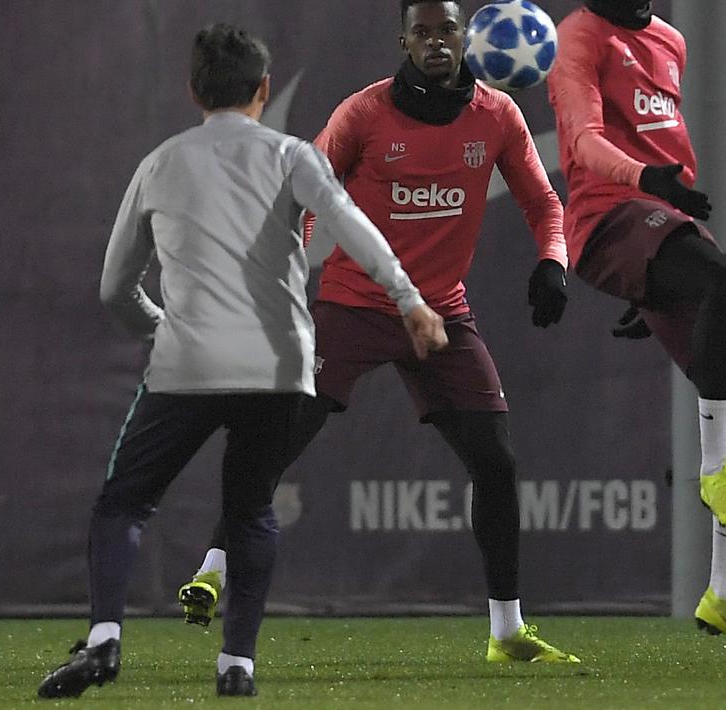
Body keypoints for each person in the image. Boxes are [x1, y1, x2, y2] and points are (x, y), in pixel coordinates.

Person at [36, 23, 446, 699]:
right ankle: (237, 666)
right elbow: (350, 225)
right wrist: (409, 299)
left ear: (193, 90)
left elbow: (115, 289)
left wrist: (163, 326)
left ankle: (104, 642)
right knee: (251, 509)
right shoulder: (290, 155)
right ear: (263, 89)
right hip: (278, 366)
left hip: (188, 364)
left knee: (124, 505)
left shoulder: (160, 163)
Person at [177, 0, 579, 664]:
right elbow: (301, 195)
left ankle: (506, 631)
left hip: (442, 313)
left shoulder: (497, 115)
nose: (436, 41)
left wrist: (551, 263)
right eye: (422, 31)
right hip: (355, 304)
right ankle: (212, 571)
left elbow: (541, 201)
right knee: (278, 441)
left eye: (446, 28)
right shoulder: (364, 113)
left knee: (496, 465)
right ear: (403, 41)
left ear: (465, 35)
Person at [547, 0, 726, 661]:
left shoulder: (667, 41)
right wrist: (646, 178)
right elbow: (582, 142)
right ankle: (713, 470)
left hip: (661, 231)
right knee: (725, 281)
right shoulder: (577, 37)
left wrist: (653, 279)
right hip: (607, 219)